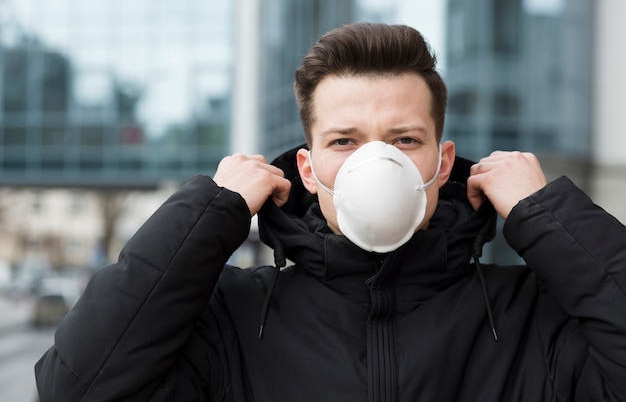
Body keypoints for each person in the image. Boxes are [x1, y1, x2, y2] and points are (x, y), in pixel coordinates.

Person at [35, 23, 626, 402]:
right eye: (344, 141)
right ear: (308, 169)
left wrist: (545, 213)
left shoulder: (532, 321)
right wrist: (210, 211)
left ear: (443, 164)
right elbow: (76, 387)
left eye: (404, 140)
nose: (376, 162)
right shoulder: (233, 323)